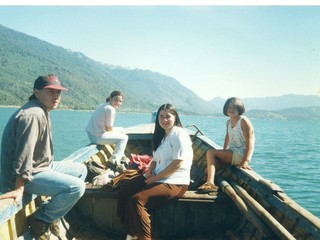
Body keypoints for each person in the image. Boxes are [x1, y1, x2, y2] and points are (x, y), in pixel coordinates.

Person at [0, 74, 87, 240]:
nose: (55, 96)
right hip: (25, 175)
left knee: (81, 170)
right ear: (37, 92)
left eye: (58, 93)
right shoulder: (32, 115)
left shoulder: (41, 110)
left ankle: (52, 213)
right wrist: (18, 188)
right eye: (50, 92)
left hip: (42, 167)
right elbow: (23, 155)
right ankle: (41, 219)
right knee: (76, 187)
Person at [116, 103, 193, 240]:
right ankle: (132, 231)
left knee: (137, 200)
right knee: (126, 188)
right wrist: (150, 170)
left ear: (175, 117)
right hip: (158, 176)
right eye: (161, 117)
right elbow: (155, 159)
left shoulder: (179, 134)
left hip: (176, 182)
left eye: (168, 116)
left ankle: (144, 237)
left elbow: (177, 163)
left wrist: (154, 179)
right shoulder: (163, 136)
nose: (164, 120)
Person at [198, 97, 255, 193]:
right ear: (225, 109)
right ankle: (209, 180)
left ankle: (210, 183)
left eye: (234, 107)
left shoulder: (244, 121)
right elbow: (227, 137)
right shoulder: (228, 122)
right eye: (229, 107)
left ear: (239, 109)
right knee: (207, 171)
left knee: (210, 152)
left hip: (240, 155)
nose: (231, 110)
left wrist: (245, 161)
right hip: (231, 153)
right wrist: (223, 152)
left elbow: (250, 143)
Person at [86, 90, 128, 171]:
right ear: (110, 98)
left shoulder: (104, 105)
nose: (118, 103)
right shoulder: (110, 109)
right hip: (97, 137)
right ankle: (114, 161)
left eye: (120, 101)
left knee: (122, 130)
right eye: (116, 100)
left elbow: (108, 128)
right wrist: (116, 137)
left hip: (91, 134)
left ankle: (121, 154)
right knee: (124, 138)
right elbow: (109, 128)